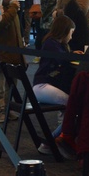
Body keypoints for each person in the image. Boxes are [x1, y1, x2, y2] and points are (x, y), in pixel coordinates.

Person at [32, 12, 77, 157]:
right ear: (64, 31)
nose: (71, 36)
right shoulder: (52, 44)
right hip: (43, 86)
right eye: (71, 33)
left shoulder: (52, 43)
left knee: (70, 109)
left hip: (43, 86)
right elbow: (62, 61)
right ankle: (50, 141)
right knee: (73, 107)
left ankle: (59, 139)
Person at [0, 0, 23, 121]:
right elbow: (2, 23)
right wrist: (14, 8)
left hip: (14, 51)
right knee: (0, 85)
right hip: (1, 52)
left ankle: (8, 108)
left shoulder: (11, 8)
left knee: (12, 84)